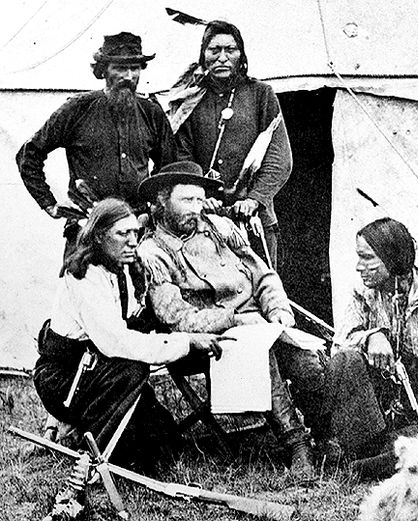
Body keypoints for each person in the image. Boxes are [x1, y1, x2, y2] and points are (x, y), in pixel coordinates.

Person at [136, 161, 326, 478]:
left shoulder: (220, 228)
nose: (195, 209)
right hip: (211, 337)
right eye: (186, 200)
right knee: (261, 352)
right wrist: (233, 320)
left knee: (308, 361)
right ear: (161, 202)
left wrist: (278, 310)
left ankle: (325, 436)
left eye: (199, 200)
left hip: (260, 323)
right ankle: (296, 444)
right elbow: (177, 318)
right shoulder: (153, 252)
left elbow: (262, 274)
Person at [34, 198, 228, 471]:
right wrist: (185, 342)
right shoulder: (83, 276)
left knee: (164, 440)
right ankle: (92, 453)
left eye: (135, 232)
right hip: (66, 378)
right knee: (133, 373)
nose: (132, 241)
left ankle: (88, 434)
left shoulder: (123, 269)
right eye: (122, 233)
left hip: (101, 371)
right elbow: (116, 343)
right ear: (99, 237)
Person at [317, 217, 418, 478]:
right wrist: (372, 337)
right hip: (385, 407)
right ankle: (380, 455)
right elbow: (339, 347)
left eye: (367, 258)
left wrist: (403, 413)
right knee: (345, 362)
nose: (358, 267)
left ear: (391, 258)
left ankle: (369, 460)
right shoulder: (364, 294)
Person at [16, 31, 176, 257]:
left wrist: (153, 207)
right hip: (88, 230)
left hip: (137, 232)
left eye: (135, 68)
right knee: (86, 287)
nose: (129, 76)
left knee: (140, 290)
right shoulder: (78, 108)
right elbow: (29, 154)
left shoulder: (152, 112)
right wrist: (49, 203)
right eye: (120, 68)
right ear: (103, 70)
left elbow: (169, 167)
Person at [168, 20, 292, 269]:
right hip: (204, 218)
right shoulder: (190, 99)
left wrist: (254, 199)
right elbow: (182, 157)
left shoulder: (260, 94)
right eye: (214, 50)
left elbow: (279, 157)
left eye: (230, 50)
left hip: (253, 219)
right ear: (203, 55)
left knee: (262, 291)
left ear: (241, 55)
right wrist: (203, 196)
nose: (222, 57)